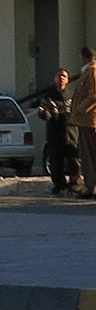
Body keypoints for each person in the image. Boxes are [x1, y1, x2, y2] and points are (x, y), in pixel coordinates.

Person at [20, 69, 77, 195]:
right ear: (55, 79)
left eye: (64, 76)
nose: (61, 78)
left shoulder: (73, 95)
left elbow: (77, 112)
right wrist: (44, 113)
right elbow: (46, 114)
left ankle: (75, 185)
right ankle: (60, 186)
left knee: (75, 162)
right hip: (55, 135)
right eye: (59, 76)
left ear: (68, 80)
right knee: (56, 163)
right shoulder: (49, 97)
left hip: (72, 134)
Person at [69, 47, 96, 200]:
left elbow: (94, 95)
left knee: (90, 154)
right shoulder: (87, 72)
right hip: (85, 121)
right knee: (87, 155)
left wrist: (80, 109)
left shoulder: (92, 71)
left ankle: (91, 186)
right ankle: (90, 185)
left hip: (89, 120)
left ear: (84, 57)